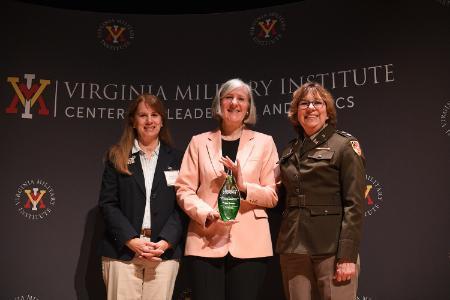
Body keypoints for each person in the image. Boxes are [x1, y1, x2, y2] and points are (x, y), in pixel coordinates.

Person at [175, 78, 279, 300]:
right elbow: (184, 189)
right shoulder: (198, 142)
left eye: (241, 98)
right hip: (205, 239)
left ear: (248, 107)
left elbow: (272, 195)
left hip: (251, 243)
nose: (234, 103)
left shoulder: (264, 142)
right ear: (219, 104)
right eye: (228, 97)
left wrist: (243, 187)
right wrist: (205, 214)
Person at [276, 82, 365, 300]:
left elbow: (355, 204)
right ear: (296, 113)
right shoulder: (289, 149)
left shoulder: (345, 145)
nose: (311, 108)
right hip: (294, 248)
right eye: (304, 103)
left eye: (318, 102)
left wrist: (347, 256)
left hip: (332, 249)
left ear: (328, 112)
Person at [98, 94, 185, 300]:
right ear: (133, 121)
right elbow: (108, 204)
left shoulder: (179, 158)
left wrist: (165, 243)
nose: (149, 121)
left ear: (162, 121)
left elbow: (183, 206)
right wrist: (131, 240)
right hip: (123, 253)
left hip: (162, 253)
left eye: (155, 115)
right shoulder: (117, 156)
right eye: (143, 115)